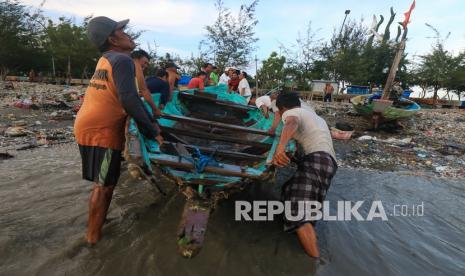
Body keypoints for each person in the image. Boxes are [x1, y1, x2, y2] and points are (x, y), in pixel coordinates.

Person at [74, 16, 163, 245]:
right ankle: (92, 241)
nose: (128, 34)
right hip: (101, 131)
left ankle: (98, 224)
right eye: (122, 31)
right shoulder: (122, 61)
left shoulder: (107, 58)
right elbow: (129, 100)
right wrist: (153, 131)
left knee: (107, 182)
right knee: (103, 186)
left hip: (89, 125)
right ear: (112, 38)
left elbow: (126, 97)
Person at [271, 92, 337, 259]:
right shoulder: (314, 116)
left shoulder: (291, 113)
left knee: (299, 212)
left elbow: (291, 123)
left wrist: (280, 148)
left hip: (317, 159)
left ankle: (316, 260)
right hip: (328, 163)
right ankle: (302, 233)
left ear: (282, 108)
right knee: (290, 189)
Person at [131, 49, 160, 116]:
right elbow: (144, 90)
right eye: (145, 62)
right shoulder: (124, 71)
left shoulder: (134, 76)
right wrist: (155, 109)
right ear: (135, 59)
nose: (146, 66)